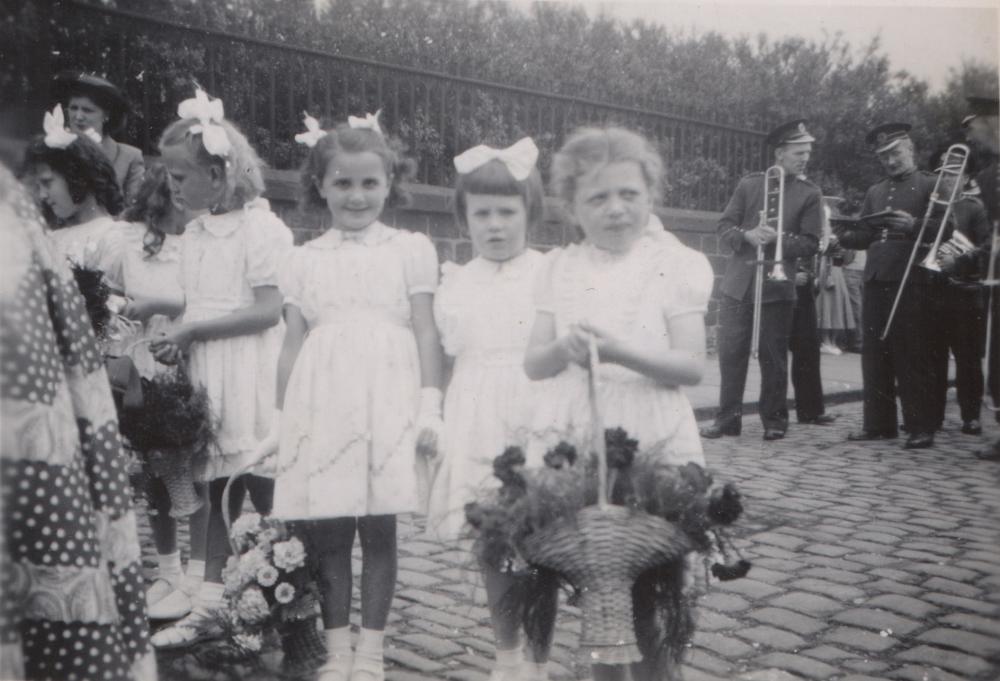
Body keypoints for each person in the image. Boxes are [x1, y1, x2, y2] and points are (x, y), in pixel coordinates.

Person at [524, 126, 713, 681]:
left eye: (629, 194)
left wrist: (619, 351)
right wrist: (563, 347)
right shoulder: (557, 268)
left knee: (656, 588)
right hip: (583, 436)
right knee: (598, 591)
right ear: (573, 208)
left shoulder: (673, 264)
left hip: (652, 437)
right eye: (598, 198)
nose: (615, 209)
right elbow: (533, 363)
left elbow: (691, 365)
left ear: (650, 194)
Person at [267, 112, 443, 681]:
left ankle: (371, 652)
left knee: (380, 529)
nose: (357, 195)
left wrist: (430, 402)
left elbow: (424, 331)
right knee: (331, 530)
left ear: (390, 183)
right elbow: (292, 344)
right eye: (342, 182)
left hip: (387, 401)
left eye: (370, 182)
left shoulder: (410, 250)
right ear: (320, 185)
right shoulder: (303, 260)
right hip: (326, 406)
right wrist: (280, 416)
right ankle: (337, 648)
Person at [148, 88, 293, 647]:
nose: (172, 188)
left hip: (250, 369)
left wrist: (194, 330)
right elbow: (196, 302)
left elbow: (267, 309)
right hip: (210, 369)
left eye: (182, 177)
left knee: (261, 485)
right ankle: (210, 604)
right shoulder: (197, 231)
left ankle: (287, 597)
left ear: (219, 173)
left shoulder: (260, 228)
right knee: (213, 485)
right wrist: (175, 333)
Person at [0, 163, 156, 680]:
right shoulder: (44, 226)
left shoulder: (106, 235)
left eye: (49, 181)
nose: (39, 191)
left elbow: (116, 302)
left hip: (82, 359)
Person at [423, 138, 546, 680]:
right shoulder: (454, 284)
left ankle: (540, 660)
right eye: (482, 213)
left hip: (533, 414)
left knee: (540, 542)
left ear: (529, 213)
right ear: (464, 217)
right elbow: (445, 363)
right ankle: (507, 657)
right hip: (475, 416)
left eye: (506, 212)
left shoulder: (550, 273)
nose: (494, 225)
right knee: (491, 541)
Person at [100, 163, 211, 622]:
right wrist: (123, 308)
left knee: (197, 466)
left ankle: (201, 571)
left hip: (189, 356)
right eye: (173, 192)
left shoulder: (202, 240)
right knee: (153, 468)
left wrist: (160, 305)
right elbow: (103, 290)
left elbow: (208, 297)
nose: (180, 202)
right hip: (142, 361)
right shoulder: (127, 239)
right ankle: (168, 570)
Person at [700, 119, 823, 441]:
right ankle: (728, 419)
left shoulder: (810, 193)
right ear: (780, 153)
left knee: (773, 355)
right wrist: (750, 236)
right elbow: (724, 227)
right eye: (799, 152)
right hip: (739, 284)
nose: (805, 158)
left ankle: (774, 420)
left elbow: (811, 242)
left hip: (778, 285)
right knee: (731, 353)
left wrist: (778, 239)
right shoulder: (750, 185)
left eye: (808, 152)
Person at [838, 123, 945, 449]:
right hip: (876, 278)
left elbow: (949, 228)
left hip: (911, 279)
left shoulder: (930, 183)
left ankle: (920, 426)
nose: (890, 161)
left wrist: (915, 225)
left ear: (909, 149)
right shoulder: (875, 191)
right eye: (883, 156)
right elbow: (866, 235)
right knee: (874, 354)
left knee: (912, 353)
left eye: (895, 153)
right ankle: (878, 424)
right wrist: (839, 237)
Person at [927, 146, 992, 436]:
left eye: (953, 174)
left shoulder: (974, 208)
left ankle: (971, 415)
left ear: (966, 178)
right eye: (941, 173)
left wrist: (960, 260)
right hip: (935, 293)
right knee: (934, 357)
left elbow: (989, 247)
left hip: (965, 294)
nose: (946, 179)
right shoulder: (932, 206)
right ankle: (934, 414)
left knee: (967, 359)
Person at [21, 104, 124, 267]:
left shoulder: (113, 238)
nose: (42, 195)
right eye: (39, 186)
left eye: (47, 183)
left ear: (78, 174)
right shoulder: (52, 239)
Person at [961, 95, 1000, 461]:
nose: (974, 139)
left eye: (977, 129)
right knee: (998, 356)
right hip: (995, 277)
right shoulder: (987, 176)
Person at [53, 70, 145, 206]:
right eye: (73, 108)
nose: (78, 117)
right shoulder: (55, 151)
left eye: (87, 110)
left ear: (106, 115)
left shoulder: (129, 157)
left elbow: (134, 210)